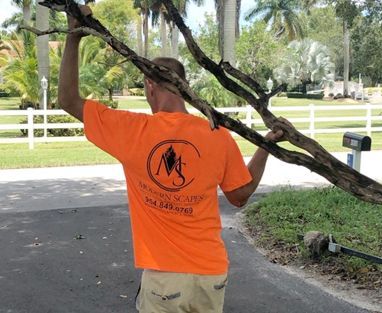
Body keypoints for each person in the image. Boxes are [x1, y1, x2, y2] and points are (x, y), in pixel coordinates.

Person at [59, 6, 286, 313]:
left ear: (150, 85)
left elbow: (68, 100)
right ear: (183, 88)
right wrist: (266, 146)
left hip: (165, 278)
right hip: (211, 274)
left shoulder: (134, 130)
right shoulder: (216, 133)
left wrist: (74, 35)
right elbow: (240, 196)